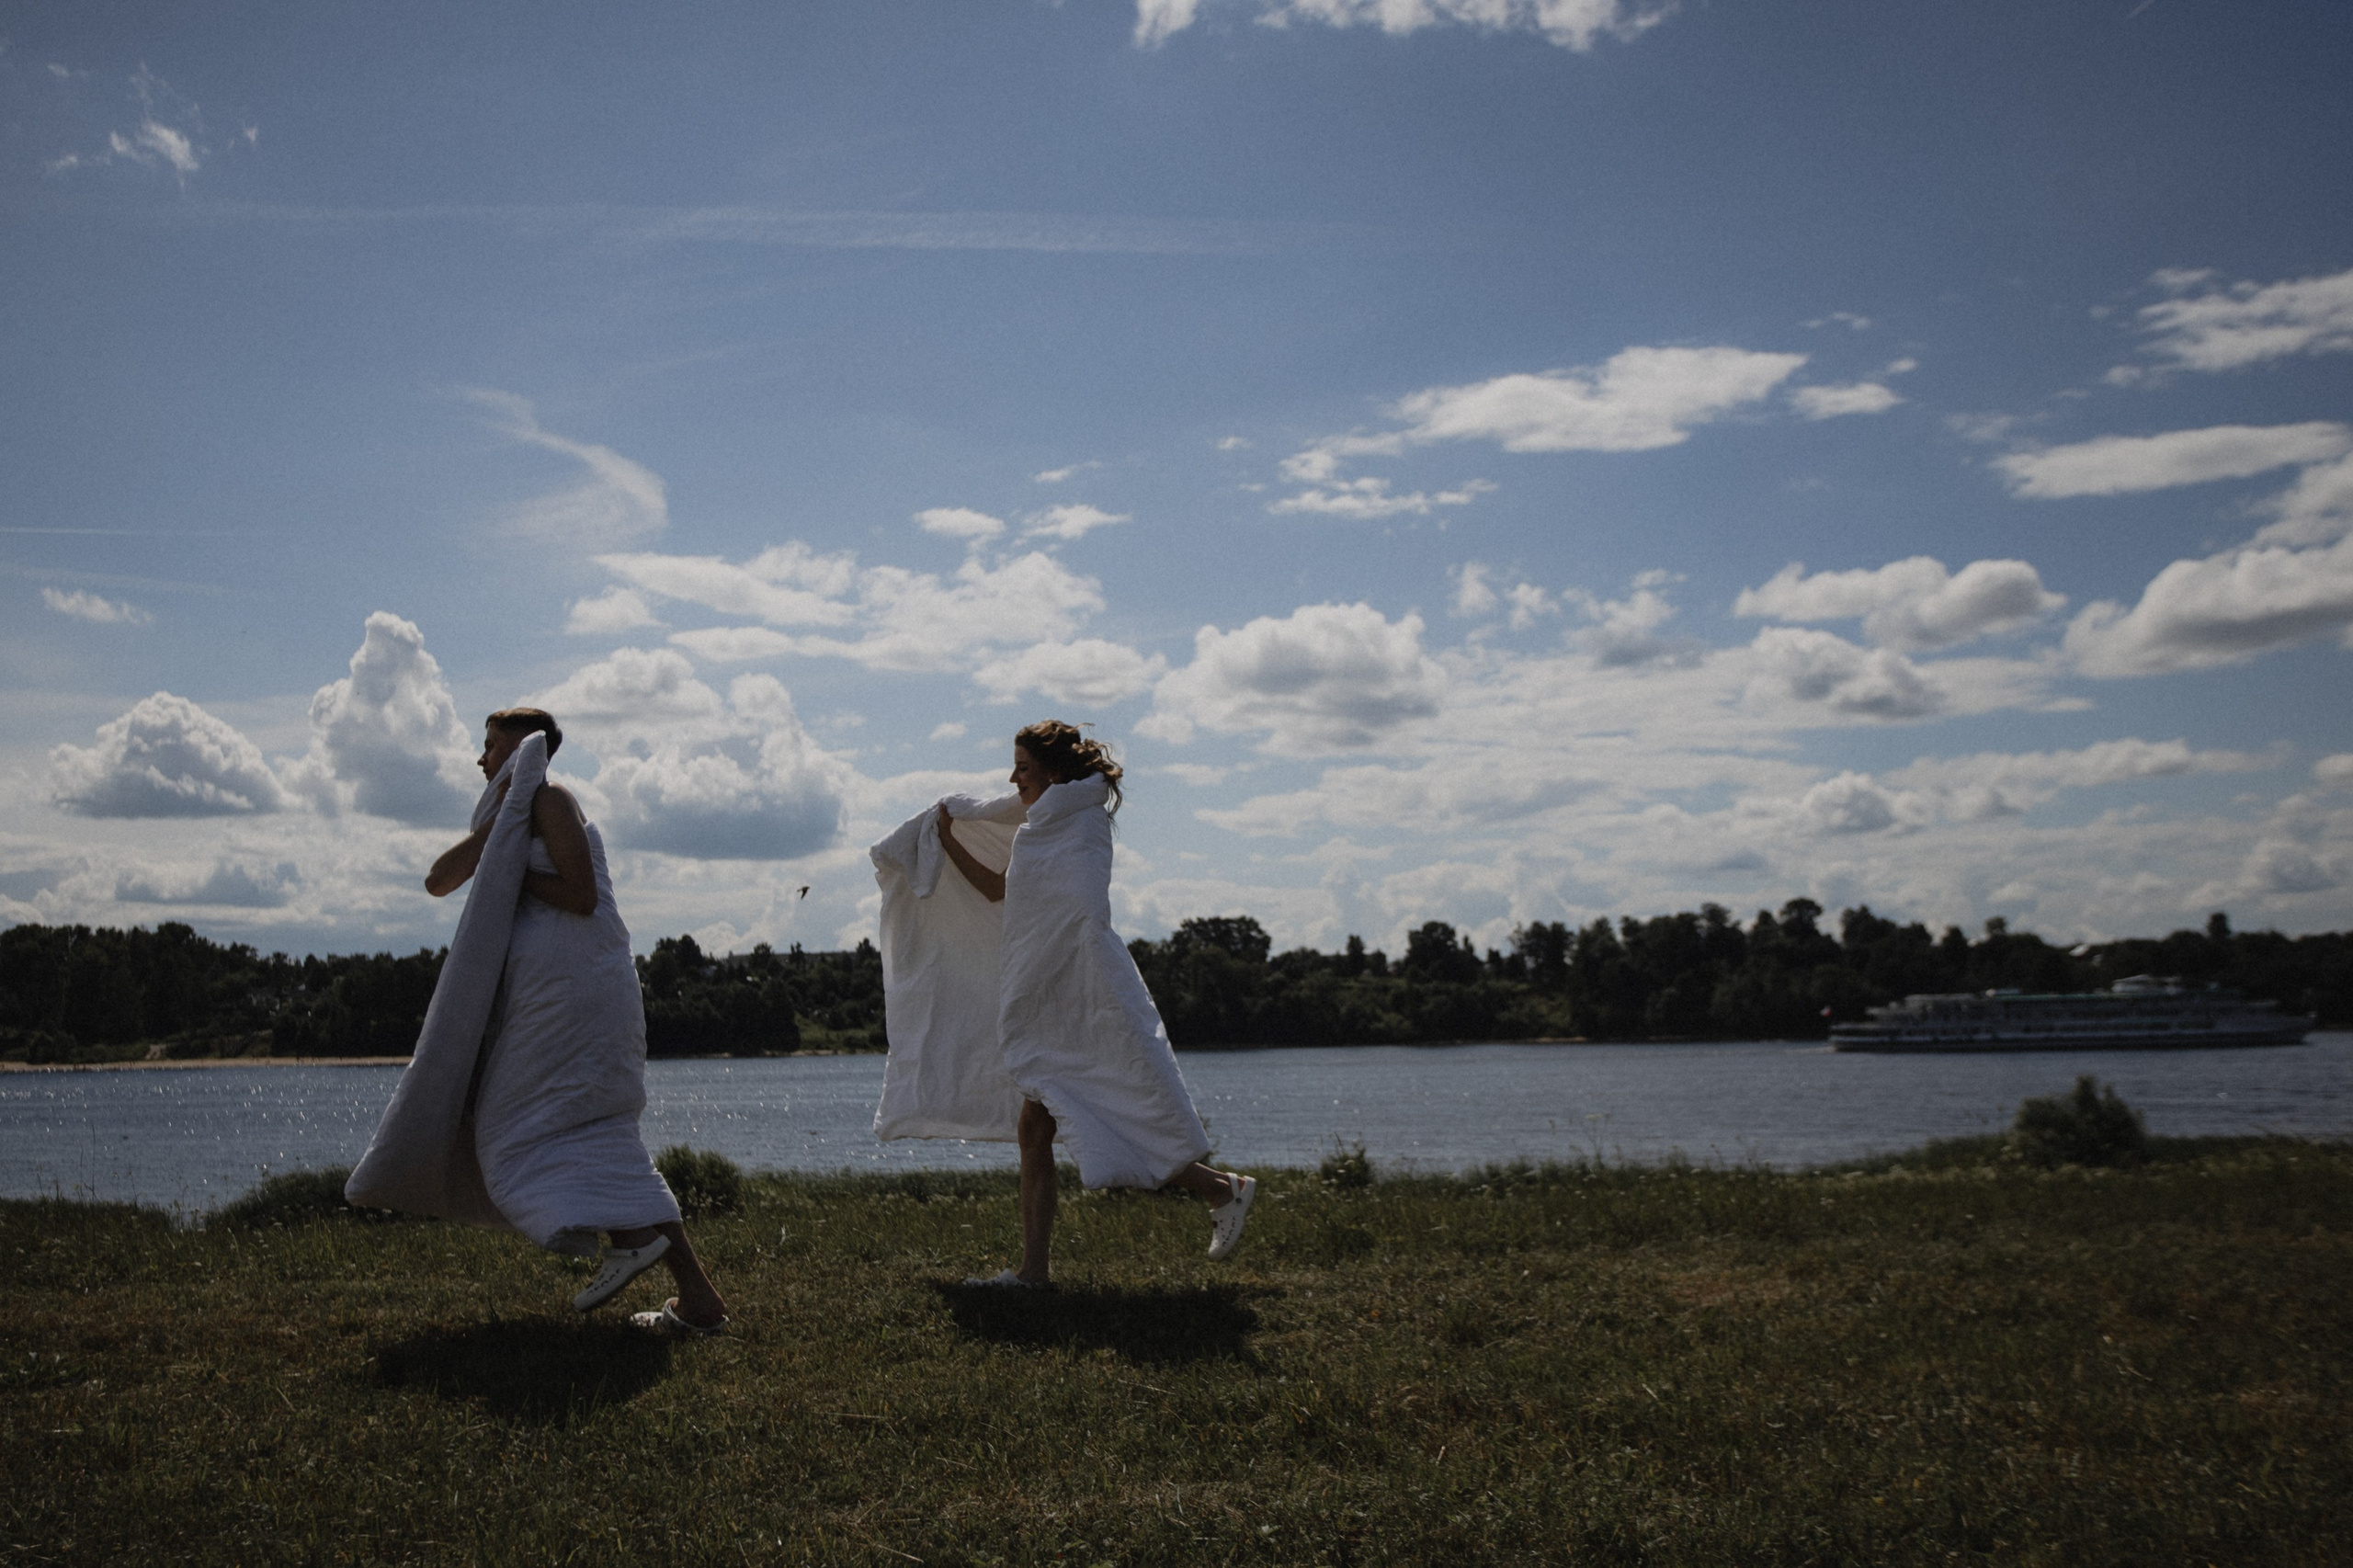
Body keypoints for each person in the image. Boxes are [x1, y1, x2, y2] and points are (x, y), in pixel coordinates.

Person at [346, 708, 728, 1334]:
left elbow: (581, 897)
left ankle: (633, 1237)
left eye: (490, 746)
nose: (480, 759)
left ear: (522, 750)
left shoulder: (552, 799)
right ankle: (699, 1299)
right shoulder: (516, 817)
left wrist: (508, 868)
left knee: (510, 1129)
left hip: (575, 997)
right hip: (551, 1001)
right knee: (601, 1142)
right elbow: (438, 880)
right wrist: (498, 837)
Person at [870, 720, 1254, 1288]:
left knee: (1110, 1116)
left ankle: (1221, 1189)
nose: (1012, 779)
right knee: (1038, 1129)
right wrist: (948, 838)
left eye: (1022, 768)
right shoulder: (1042, 827)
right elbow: (1006, 891)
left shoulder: (1080, 826)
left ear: (1052, 772)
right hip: (1050, 995)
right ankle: (1034, 1272)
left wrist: (1053, 974)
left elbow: (1070, 911)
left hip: (1080, 993)